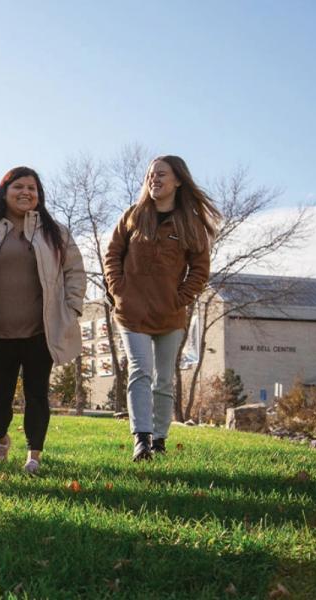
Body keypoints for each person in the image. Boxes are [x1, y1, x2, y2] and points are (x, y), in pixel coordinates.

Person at [0, 167, 85, 474]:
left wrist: (72, 309)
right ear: (4, 192)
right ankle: (2, 437)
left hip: (41, 331)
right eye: (18, 187)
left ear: (39, 195)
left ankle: (33, 455)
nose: (26, 192)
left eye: (32, 188)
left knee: (37, 394)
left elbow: (75, 271)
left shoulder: (54, 232)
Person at [103, 155, 221, 461]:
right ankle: (141, 439)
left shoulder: (190, 224)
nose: (154, 179)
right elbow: (112, 254)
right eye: (151, 174)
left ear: (178, 180)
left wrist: (180, 298)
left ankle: (159, 439)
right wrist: (118, 290)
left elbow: (200, 269)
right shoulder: (133, 215)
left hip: (169, 315)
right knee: (140, 371)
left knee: (164, 379)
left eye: (161, 174)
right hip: (131, 313)